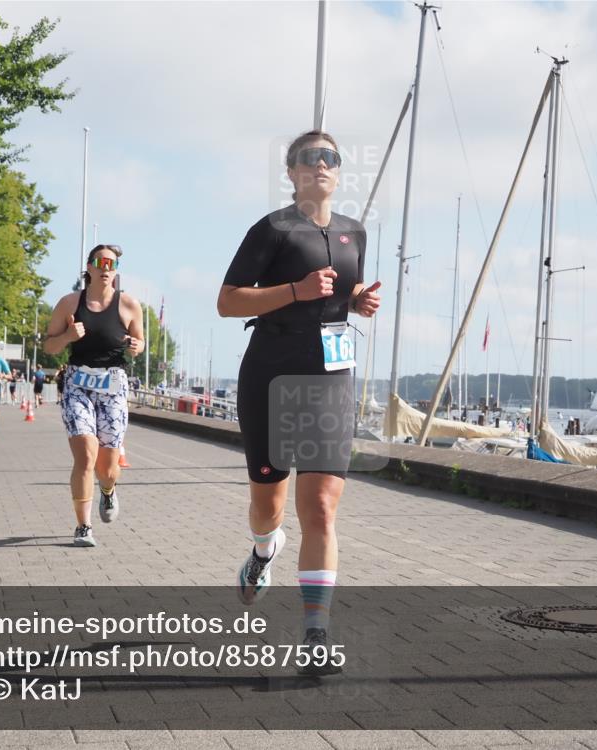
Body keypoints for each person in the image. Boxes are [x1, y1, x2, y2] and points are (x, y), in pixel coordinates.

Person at [217, 130, 381, 675]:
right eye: (309, 158)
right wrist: (295, 291)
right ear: (291, 172)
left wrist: (358, 301)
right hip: (271, 374)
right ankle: (264, 550)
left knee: (322, 507)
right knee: (269, 504)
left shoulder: (355, 232)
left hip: (330, 379)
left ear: (339, 170)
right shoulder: (273, 228)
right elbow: (228, 300)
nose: (321, 165)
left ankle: (315, 635)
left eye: (330, 158)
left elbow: (340, 296)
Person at [43, 244, 145, 547]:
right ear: (89, 267)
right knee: (86, 456)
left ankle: (108, 491)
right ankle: (83, 526)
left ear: (115, 271)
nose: (106, 268)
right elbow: (49, 347)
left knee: (108, 469)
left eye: (111, 264)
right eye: (100, 262)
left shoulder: (128, 305)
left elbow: (139, 342)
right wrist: (67, 337)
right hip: (78, 384)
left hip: (113, 386)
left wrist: (137, 347)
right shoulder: (69, 303)